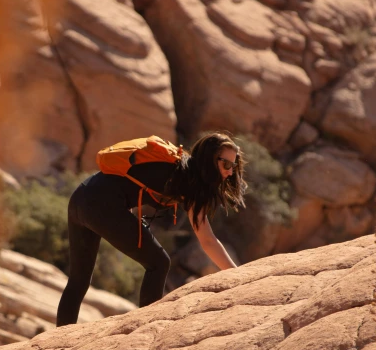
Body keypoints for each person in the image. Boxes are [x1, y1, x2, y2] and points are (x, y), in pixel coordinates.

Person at [56, 131, 247, 327]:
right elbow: (207, 239)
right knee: (159, 263)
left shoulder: (179, 165)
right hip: (100, 204)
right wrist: (238, 276)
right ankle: (146, 328)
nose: (230, 172)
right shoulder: (189, 179)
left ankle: (58, 342)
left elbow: (123, 182)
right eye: (226, 165)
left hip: (80, 197)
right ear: (210, 160)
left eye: (234, 165)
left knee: (78, 280)